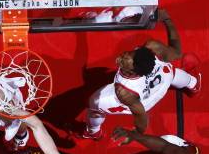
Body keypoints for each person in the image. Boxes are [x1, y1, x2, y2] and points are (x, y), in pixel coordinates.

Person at [80, 9, 202, 139]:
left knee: (94, 103)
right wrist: (167, 20)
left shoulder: (124, 91)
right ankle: (193, 84)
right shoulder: (152, 48)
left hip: (144, 102)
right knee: (168, 71)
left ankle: (92, 131)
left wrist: (136, 134)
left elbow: (141, 117)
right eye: (127, 54)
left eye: (125, 61)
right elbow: (177, 53)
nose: (122, 56)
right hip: (162, 82)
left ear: (134, 70)